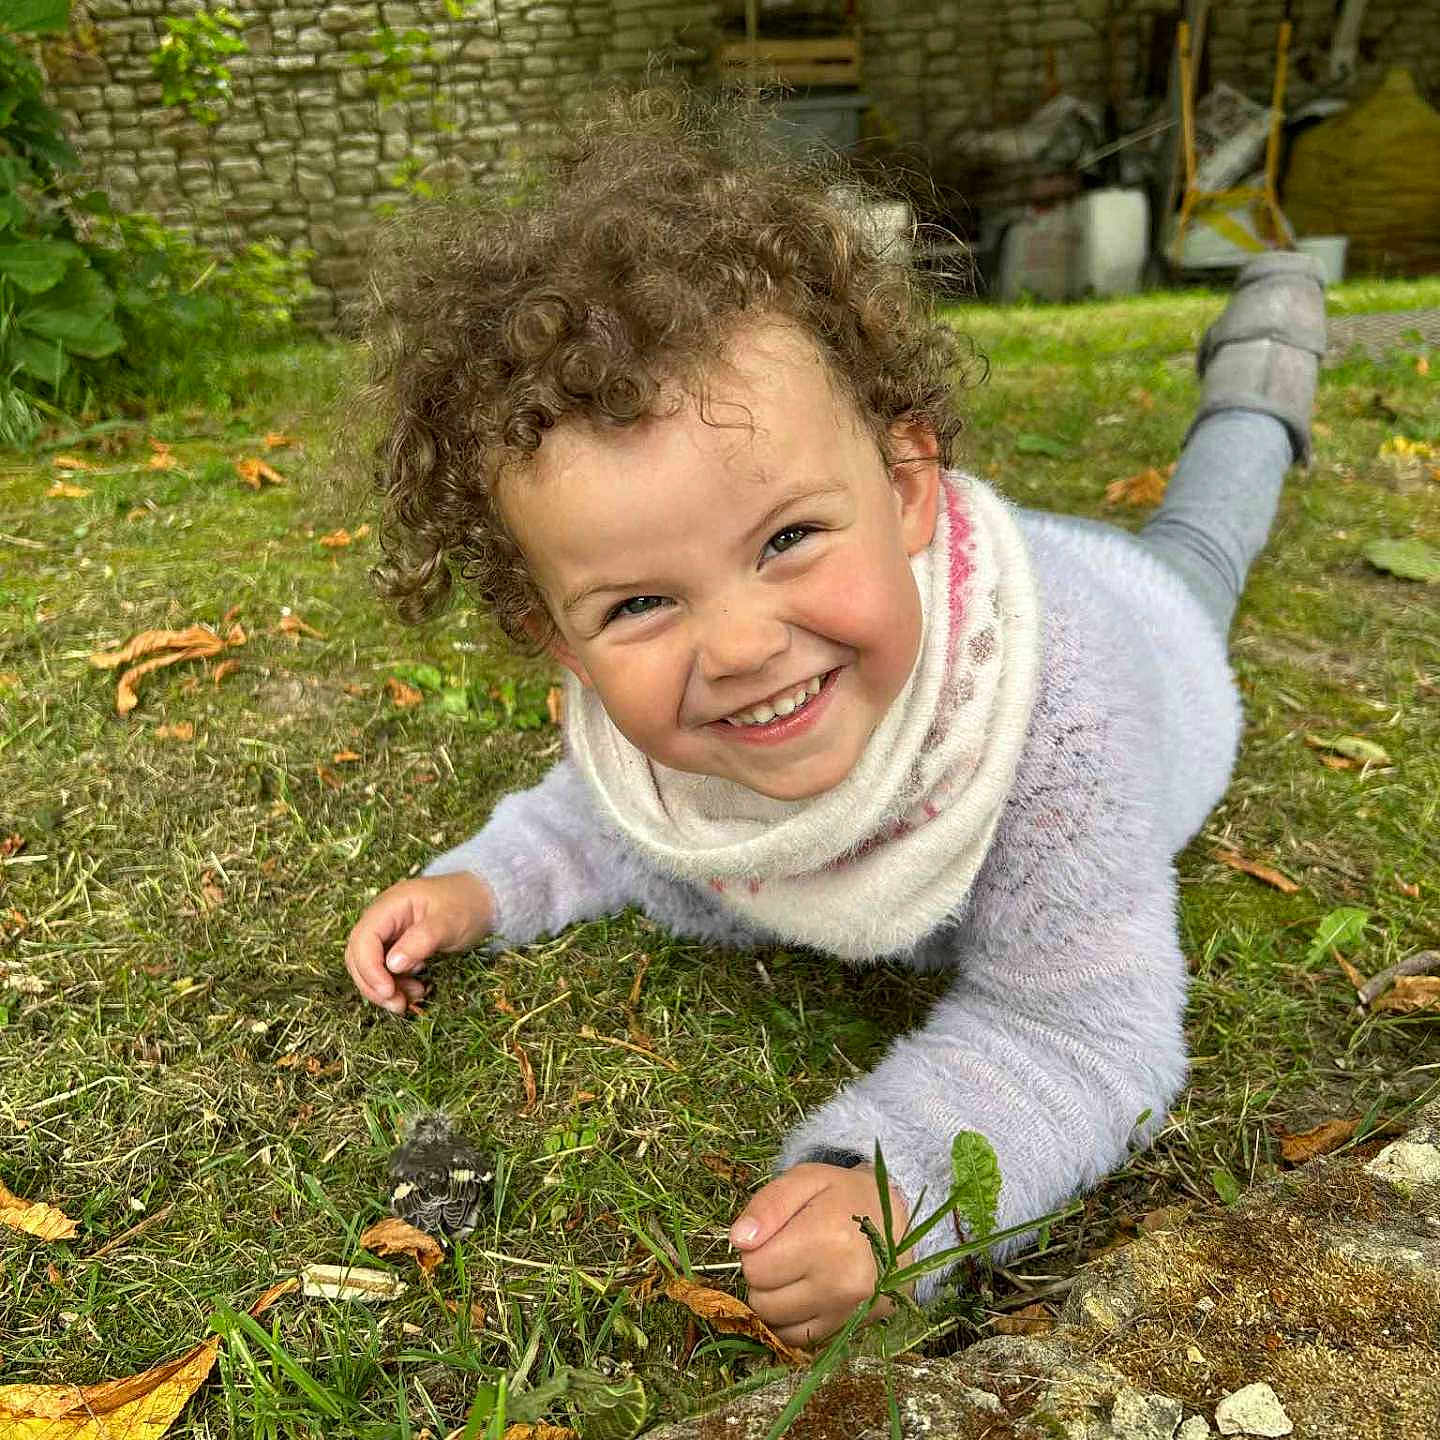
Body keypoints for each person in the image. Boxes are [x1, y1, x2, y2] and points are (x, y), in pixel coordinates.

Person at [343, 90, 1325, 1348]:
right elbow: (609, 819)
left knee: (1202, 542)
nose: (743, 646)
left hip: (1137, 629)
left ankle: (1261, 378)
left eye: (790, 538)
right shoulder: (713, 710)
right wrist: (480, 887)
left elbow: (1089, 1035)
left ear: (910, 485)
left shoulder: (1054, 734)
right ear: (559, 643)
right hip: (969, 583)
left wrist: (902, 1188)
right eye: (641, 601)